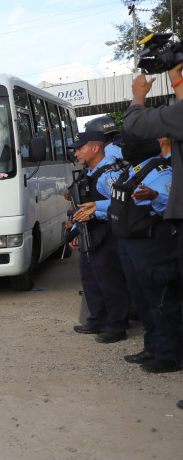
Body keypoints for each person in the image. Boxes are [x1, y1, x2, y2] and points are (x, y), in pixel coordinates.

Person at [107, 136, 180, 372]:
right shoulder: (133, 169)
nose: (121, 151)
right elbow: (119, 201)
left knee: (160, 300)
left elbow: (173, 204)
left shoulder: (161, 171)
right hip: (130, 242)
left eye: (126, 146)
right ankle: (153, 347)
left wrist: (155, 197)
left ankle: (171, 355)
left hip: (152, 243)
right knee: (141, 299)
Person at [69, 130, 129, 343]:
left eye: (80, 149)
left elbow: (122, 204)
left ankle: (117, 326)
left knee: (110, 281)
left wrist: (96, 211)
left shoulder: (108, 174)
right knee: (90, 278)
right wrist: (76, 231)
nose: (76, 154)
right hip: (90, 232)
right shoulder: (90, 172)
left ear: (95, 148)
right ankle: (97, 319)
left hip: (107, 232)